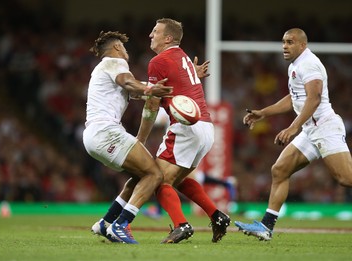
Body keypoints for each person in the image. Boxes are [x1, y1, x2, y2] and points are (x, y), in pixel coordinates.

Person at [234, 28, 352, 241]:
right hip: (310, 129)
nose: (284, 46)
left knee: (346, 178)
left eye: (290, 42)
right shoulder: (295, 66)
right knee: (279, 170)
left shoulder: (310, 64)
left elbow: (314, 99)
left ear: (302, 45)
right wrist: (263, 113)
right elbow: (293, 98)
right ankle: (266, 226)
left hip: (325, 127)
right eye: (283, 42)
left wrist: (293, 127)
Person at [138, 18, 231, 244]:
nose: (151, 35)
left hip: (186, 128)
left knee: (157, 179)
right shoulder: (184, 57)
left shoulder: (157, 62)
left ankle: (181, 225)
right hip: (206, 128)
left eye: (155, 31)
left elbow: (153, 102)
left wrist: (141, 138)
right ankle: (217, 216)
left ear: (168, 38)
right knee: (178, 180)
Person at [84, 31, 172, 244]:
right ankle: (120, 224)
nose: (126, 51)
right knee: (155, 175)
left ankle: (106, 223)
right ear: (116, 48)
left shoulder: (103, 70)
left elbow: (141, 91)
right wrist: (150, 88)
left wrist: (189, 78)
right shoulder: (115, 63)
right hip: (107, 133)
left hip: (96, 135)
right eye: (123, 47)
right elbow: (129, 83)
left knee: (140, 176)